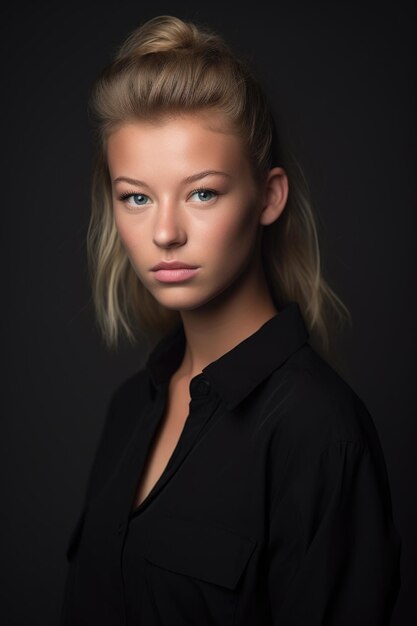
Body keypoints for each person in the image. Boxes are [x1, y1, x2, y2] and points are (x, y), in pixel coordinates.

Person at [60, 15, 402, 626]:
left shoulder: (318, 434)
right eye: (136, 196)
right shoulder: (128, 410)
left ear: (269, 196)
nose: (164, 232)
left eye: (202, 193)